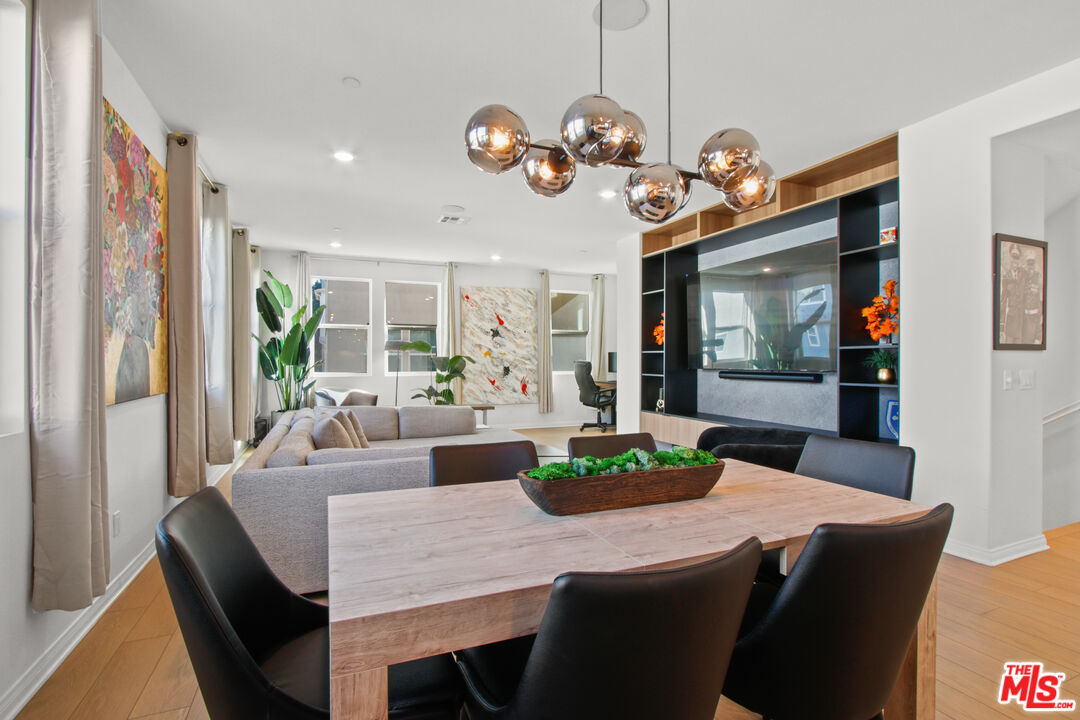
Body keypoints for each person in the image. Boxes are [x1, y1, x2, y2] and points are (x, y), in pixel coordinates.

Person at [1000, 244, 1026, 343]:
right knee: (1008, 343)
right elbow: (1003, 301)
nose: (1015, 262)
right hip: (1011, 319)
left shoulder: (1024, 274)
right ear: (1010, 260)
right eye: (1013, 258)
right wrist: (1001, 323)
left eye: (1017, 258)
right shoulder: (1006, 277)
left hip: (1021, 319)